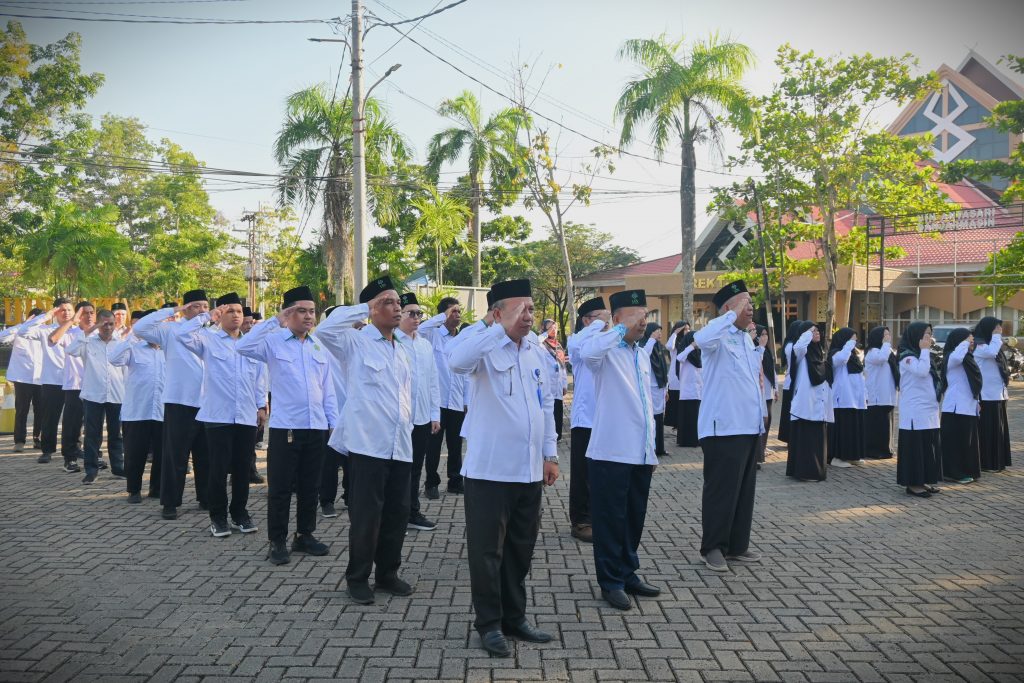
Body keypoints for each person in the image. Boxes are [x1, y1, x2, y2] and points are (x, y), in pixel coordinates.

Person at [448, 279, 558, 658]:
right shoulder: (483, 346)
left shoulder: (535, 351)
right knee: (487, 553)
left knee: (520, 549)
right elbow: (456, 362)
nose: (529, 315)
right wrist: (496, 330)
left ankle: (515, 617)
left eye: (532, 308)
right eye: (521, 309)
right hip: (490, 472)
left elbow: (546, 404)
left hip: (528, 471)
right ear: (497, 313)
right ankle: (489, 624)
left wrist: (550, 454)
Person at [317, 276, 415, 604]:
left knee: (397, 515)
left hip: (400, 445)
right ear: (372, 310)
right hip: (368, 446)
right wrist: (364, 306)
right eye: (388, 302)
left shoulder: (401, 348)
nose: (397, 308)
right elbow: (325, 330)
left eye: (398, 302)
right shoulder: (355, 342)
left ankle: (388, 574)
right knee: (366, 518)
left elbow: (404, 396)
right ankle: (357, 578)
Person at [237, 286, 338, 565]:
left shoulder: (318, 346)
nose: (308, 316)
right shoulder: (274, 342)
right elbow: (242, 346)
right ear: (288, 313)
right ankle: (277, 540)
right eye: (301, 311)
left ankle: (304, 535)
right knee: (281, 488)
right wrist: (274, 321)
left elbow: (327, 390)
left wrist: (333, 424)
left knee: (310, 487)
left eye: (311, 311)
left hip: (316, 427)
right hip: (287, 429)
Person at [580, 289, 661, 611]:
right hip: (610, 453)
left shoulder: (640, 354)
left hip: (639, 452)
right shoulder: (605, 350)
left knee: (633, 518)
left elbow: (646, 404)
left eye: (645, 315)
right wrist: (617, 329)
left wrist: (651, 449)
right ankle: (610, 581)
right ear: (616, 319)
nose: (643, 321)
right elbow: (587, 353)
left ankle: (628, 573)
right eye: (635, 315)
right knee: (610, 520)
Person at [176, 292, 268, 537]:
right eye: (230, 311)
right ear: (220, 314)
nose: (236, 315)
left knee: (242, 469)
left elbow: (259, 378)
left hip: (246, 415)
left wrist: (261, 406)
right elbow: (181, 334)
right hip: (218, 416)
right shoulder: (208, 338)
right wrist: (207, 316)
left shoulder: (250, 343)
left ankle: (240, 514)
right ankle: (218, 517)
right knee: (217, 470)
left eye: (239, 311)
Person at [693, 280, 765, 573]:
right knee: (721, 491)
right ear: (727, 308)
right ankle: (712, 547)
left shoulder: (745, 339)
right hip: (722, 427)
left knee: (743, 492)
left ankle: (737, 545)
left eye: (751, 302)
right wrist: (728, 316)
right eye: (744, 302)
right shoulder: (717, 334)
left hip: (747, 426)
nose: (750, 308)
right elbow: (701, 337)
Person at [134, 290, 211, 520]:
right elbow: (140, 328)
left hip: (207, 402)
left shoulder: (212, 333)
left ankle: (206, 498)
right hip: (179, 401)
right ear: (186, 308)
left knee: (206, 455)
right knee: (175, 455)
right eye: (196, 306)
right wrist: (173, 310)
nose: (202, 311)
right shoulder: (170, 330)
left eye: (205, 306)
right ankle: (170, 502)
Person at [393, 292, 442, 533]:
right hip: (399, 418)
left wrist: (435, 414)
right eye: (411, 313)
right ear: (399, 314)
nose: (416, 318)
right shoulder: (392, 341)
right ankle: (396, 516)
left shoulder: (424, 345)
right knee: (397, 470)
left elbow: (433, 381)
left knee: (415, 468)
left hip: (421, 417)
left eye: (419, 313)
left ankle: (412, 512)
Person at [108, 309, 165, 502]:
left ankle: (157, 489)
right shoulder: (134, 347)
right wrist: (133, 336)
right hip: (137, 411)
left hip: (162, 411)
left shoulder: (170, 350)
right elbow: (114, 359)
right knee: (135, 453)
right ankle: (134, 490)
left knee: (162, 454)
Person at [565, 296, 607, 544]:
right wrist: (600, 324)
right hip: (585, 419)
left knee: (601, 473)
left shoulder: (606, 341)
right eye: (601, 316)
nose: (607, 321)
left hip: (605, 418)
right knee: (583, 474)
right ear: (587, 320)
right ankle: (580, 521)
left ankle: (597, 518)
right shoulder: (578, 340)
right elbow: (577, 345)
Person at [67, 310, 125, 484]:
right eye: (104, 324)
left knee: (116, 434)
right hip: (93, 395)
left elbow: (126, 371)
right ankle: (91, 470)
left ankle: (118, 467)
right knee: (92, 434)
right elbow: (71, 350)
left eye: (111, 324)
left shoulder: (120, 343)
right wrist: (90, 330)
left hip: (116, 394)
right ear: (98, 324)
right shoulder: (88, 342)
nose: (108, 327)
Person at [20, 299, 76, 466]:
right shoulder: (45, 330)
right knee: (50, 418)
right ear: (55, 312)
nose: (66, 313)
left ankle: (73, 448)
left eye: (69, 310)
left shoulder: (79, 331)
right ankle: (47, 450)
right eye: (62, 310)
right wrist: (46, 316)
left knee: (74, 419)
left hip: (74, 382)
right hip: (52, 381)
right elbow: (23, 331)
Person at [420, 297, 467, 497]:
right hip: (437, 402)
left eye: (458, 311)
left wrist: (466, 400)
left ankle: (455, 481)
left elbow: (465, 373)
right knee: (433, 446)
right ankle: (431, 483)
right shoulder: (433, 334)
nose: (457, 315)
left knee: (456, 445)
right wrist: (441, 316)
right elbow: (420, 328)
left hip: (456, 401)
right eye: (452, 311)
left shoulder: (462, 339)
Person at [896, 322, 942, 497]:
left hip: (928, 409)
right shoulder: (907, 357)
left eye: (930, 334)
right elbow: (921, 371)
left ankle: (924, 480)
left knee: (926, 447)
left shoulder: (923, 355)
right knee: (915, 448)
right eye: (925, 334)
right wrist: (924, 350)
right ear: (916, 336)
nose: (929, 338)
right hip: (914, 410)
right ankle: (913, 484)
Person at [786, 321, 832, 482]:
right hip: (805, 404)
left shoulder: (819, 354)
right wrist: (808, 333)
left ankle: (817, 471)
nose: (816, 332)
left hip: (819, 403)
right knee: (806, 439)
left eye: (817, 330)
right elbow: (799, 347)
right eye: (813, 331)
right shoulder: (802, 354)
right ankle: (805, 472)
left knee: (818, 440)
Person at [939, 328, 982, 485]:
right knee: (955, 443)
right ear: (960, 342)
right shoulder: (952, 356)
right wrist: (964, 343)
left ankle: (967, 471)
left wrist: (977, 401)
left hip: (967, 405)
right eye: (969, 340)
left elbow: (973, 382)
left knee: (967, 442)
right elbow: (957, 357)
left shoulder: (968, 358)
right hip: (955, 407)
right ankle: (953, 473)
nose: (972, 342)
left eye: (972, 340)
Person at [59, 301, 97, 471]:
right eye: (84, 313)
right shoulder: (70, 333)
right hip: (74, 385)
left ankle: (92, 456)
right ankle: (70, 458)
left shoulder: (99, 334)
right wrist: (71, 321)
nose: (88, 316)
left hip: (94, 385)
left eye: (91, 312)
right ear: (78, 316)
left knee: (92, 424)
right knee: (72, 424)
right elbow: (53, 339)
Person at [2, 308, 44, 454]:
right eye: (36, 319)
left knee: (41, 410)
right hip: (22, 378)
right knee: (21, 410)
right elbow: (2, 337)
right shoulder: (19, 331)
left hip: (41, 377)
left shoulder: (45, 331)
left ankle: (38, 439)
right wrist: (23, 324)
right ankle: (19, 441)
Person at [972, 316, 1011, 472]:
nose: (999, 331)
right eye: (996, 328)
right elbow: (992, 352)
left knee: (998, 430)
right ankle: (987, 463)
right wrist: (996, 336)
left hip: (998, 394)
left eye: (999, 328)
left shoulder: (992, 344)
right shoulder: (979, 345)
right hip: (986, 396)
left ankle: (998, 461)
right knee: (988, 431)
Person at [828, 328, 866, 467]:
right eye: (852, 339)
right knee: (842, 429)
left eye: (855, 340)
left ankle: (852, 455)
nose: (854, 342)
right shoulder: (836, 353)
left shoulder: (853, 356)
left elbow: (860, 375)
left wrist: (864, 394)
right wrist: (849, 345)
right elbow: (842, 359)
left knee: (854, 428)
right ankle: (837, 457)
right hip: (842, 399)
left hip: (855, 399)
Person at [864, 326, 899, 459]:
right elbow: (882, 358)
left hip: (887, 394)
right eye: (885, 335)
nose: (888, 338)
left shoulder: (886, 350)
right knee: (877, 425)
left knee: (886, 425)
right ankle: (874, 450)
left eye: (889, 335)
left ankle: (886, 449)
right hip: (877, 395)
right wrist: (886, 344)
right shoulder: (873, 352)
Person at [641, 322, 670, 457]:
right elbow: (644, 356)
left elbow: (665, 369)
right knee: (651, 418)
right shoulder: (645, 345)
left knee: (659, 419)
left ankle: (660, 448)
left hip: (660, 387)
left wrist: (666, 388)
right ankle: (651, 447)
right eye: (656, 331)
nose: (659, 333)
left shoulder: (660, 347)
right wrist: (651, 340)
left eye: (660, 331)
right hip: (650, 387)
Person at [539, 319, 569, 442]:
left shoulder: (559, 346)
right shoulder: (541, 344)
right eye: (551, 328)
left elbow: (563, 367)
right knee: (547, 410)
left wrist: (565, 384)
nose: (554, 330)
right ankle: (547, 437)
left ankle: (558, 436)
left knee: (558, 410)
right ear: (544, 329)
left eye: (555, 328)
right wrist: (545, 334)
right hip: (547, 384)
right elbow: (536, 341)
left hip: (558, 384)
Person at [776, 320, 805, 444]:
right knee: (790, 411)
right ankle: (790, 437)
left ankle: (791, 437)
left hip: (792, 382)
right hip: (791, 383)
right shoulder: (792, 346)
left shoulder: (790, 344)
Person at [674, 329, 702, 447]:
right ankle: (686, 440)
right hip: (688, 390)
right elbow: (679, 357)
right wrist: (691, 346)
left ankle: (696, 439)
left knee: (696, 417)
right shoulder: (685, 353)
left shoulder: (698, 353)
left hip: (698, 390)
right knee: (688, 417)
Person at [754, 325, 777, 462]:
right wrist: (761, 347)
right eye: (762, 334)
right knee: (763, 420)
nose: (765, 337)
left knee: (769, 419)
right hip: (760, 390)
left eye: (766, 334)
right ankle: (760, 449)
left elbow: (772, 371)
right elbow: (757, 364)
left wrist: (776, 389)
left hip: (769, 390)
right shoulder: (756, 350)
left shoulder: (767, 350)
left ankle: (764, 445)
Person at [664, 321, 689, 433]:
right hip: (675, 377)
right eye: (685, 329)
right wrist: (675, 333)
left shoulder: (689, 343)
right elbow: (669, 346)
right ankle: (675, 424)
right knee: (675, 401)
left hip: (686, 377)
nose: (687, 331)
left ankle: (681, 424)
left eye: (688, 329)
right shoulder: (675, 344)